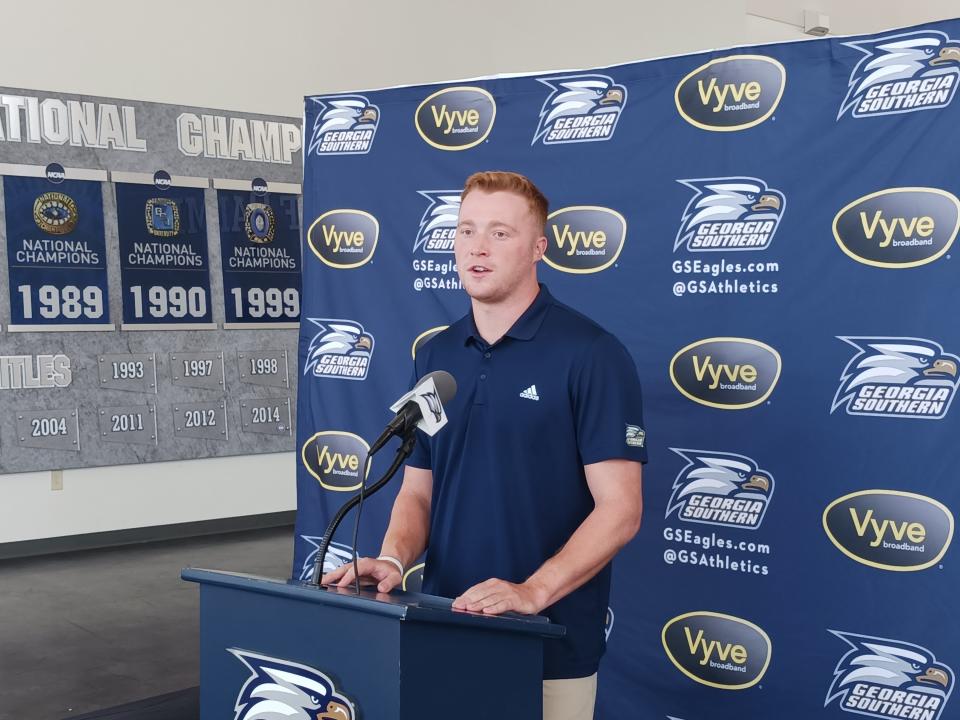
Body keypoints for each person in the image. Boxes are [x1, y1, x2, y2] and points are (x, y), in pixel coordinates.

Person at [322, 171, 646, 720]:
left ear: (538, 248)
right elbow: (418, 489)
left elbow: (621, 509)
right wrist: (394, 558)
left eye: (500, 233)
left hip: (549, 645)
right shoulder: (437, 356)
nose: (477, 246)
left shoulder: (591, 354)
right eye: (467, 229)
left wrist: (533, 591)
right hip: (444, 625)